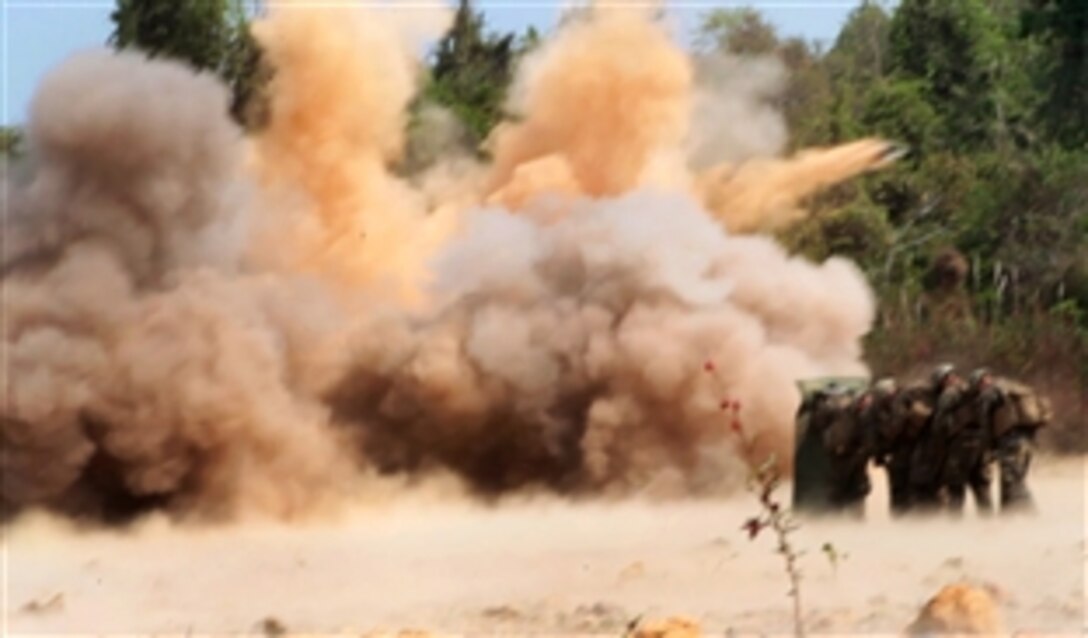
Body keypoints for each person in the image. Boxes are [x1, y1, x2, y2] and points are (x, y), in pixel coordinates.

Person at [982, 372, 1051, 513]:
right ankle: (1009, 515)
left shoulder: (994, 393)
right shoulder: (1018, 392)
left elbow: (985, 419)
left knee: (1013, 480)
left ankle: (1029, 515)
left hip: (1011, 442)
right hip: (1026, 440)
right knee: (1014, 478)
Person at [936, 368, 994, 516]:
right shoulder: (957, 395)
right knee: (971, 489)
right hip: (971, 447)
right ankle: (981, 525)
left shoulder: (956, 394)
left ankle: (967, 528)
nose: (987, 384)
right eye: (984, 382)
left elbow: (940, 423)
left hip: (967, 449)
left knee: (967, 489)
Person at [907, 364, 959, 513]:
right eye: (948, 378)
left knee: (939, 488)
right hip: (929, 448)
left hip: (945, 449)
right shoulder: (929, 396)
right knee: (923, 487)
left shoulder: (954, 396)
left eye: (952, 377)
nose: (952, 380)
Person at [821, 388, 873, 518]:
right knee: (840, 502)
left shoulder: (861, 418)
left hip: (851, 467)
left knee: (852, 503)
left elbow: (868, 444)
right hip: (843, 467)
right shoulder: (841, 417)